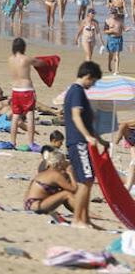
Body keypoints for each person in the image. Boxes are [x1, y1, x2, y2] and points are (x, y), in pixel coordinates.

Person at [64, 60, 105, 228]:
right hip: (78, 142)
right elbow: (76, 116)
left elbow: (87, 122)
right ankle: (77, 220)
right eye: (93, 81)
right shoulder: (77, 92)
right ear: (88, 76)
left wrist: (100, 140)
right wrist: (88, 137)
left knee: (87, 180)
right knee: (85, 180)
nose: (93, 85)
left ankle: (85, 218)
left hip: (81, 141)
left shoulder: (77, 92)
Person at [23, 150, 77, 215]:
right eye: (64, 161)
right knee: (66, 194)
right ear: (59, 163)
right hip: (37, 205)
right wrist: (71, 174)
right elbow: (74, 189)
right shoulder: (55, 175)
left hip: (29, 204)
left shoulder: (44, 172)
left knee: (63, 194)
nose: (65, 163)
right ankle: (84, 214)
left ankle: (81, 214)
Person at [8, 37, 37, 151]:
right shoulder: (26, 59)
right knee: (30, 116)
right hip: (26, 90)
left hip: (15, 89)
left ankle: (12, 141)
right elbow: (40, 63)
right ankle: (30, 142)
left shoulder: (10, 59)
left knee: (15, 116)